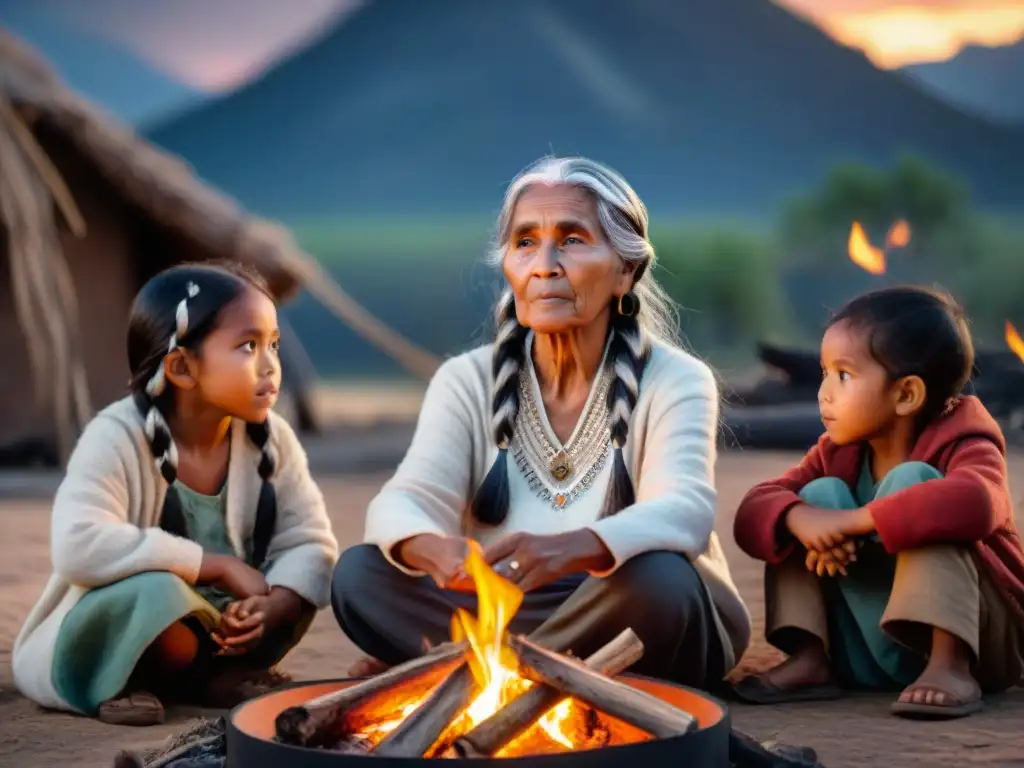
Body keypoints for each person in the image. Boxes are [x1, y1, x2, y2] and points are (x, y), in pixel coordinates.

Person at [331, 156, 751, 689]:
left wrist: (573, 546)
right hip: (507, 604)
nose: (545, 264)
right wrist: (431, 547)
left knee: (661, 580)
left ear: (627, 271)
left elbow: (684, 511)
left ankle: (473, 675)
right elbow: (403, 500)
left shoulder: (676, 378)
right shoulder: (466, 379)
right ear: (507, 264)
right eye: (525, 242)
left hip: (622, 605)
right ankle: (533, 673)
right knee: (361, 575)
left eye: (573, 240)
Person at [12, 263, 338, 726]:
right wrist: (216, 565)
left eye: (274, 345)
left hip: (228, 629)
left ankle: (208, 677)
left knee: (305, 582)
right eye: (249, 346)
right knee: (161, 594)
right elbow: (77, 544)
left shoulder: (272, 437)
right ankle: (123, 680)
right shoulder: (116, 436)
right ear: (182, 367)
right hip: (139, 624)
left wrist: (277, 602)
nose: (271, 365)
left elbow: (312, 542)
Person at [731, 286, 1024, 719]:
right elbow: (752, 513)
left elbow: (977, 503)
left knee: (919, 488)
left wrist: (857, 522)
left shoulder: (965, 438)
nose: (824, 393)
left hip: (981, 645)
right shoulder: (838, 452)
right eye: (823, 373)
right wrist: (801, 518)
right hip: (865, 649)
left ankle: (949, 665)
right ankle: (812, 658)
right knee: (808, 501)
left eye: (843, 375)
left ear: (906, 394)